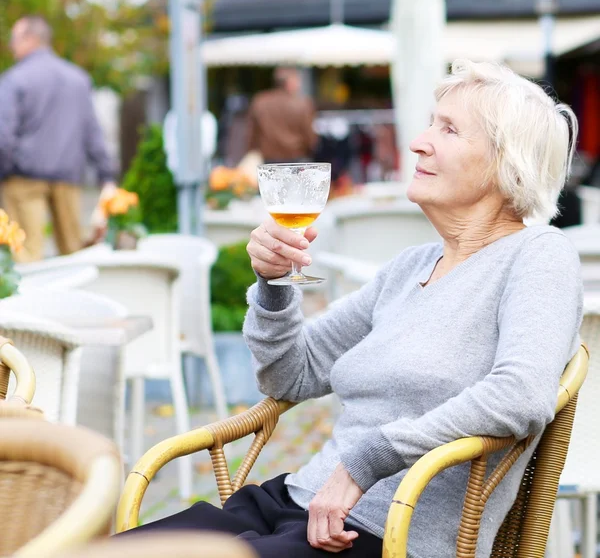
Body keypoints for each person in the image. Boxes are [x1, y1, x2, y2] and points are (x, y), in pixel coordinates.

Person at [124, 60, 583, 558]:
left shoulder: (538, 256)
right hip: (292, 502)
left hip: (380, 534)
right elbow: (289, 378)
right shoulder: (410, 267)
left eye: (448, 129)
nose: (418, 142)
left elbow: (521, 395)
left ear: (505, 161)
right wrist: (275, 284)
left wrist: (366, 461)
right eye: (432, 122)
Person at [0, 15, 117, 262]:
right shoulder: (78, 79)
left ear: (30, 39)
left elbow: (4, 134)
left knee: (26, 255)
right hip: (68, 178)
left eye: (14, 39)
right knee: (74, 254)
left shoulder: (14, 79)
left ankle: (33, 302)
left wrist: (4, 171)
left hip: (23, 178)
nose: (11, 46)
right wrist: (107, 174)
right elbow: (92, 131)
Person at [245, 67, 317, 164]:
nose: (299, 85)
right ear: (290, 83)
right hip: (296, 160)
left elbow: (252, 135)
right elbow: (310, 138)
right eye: (297, 81)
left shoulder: (260, 101)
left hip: (269, 162)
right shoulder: (303, 104)